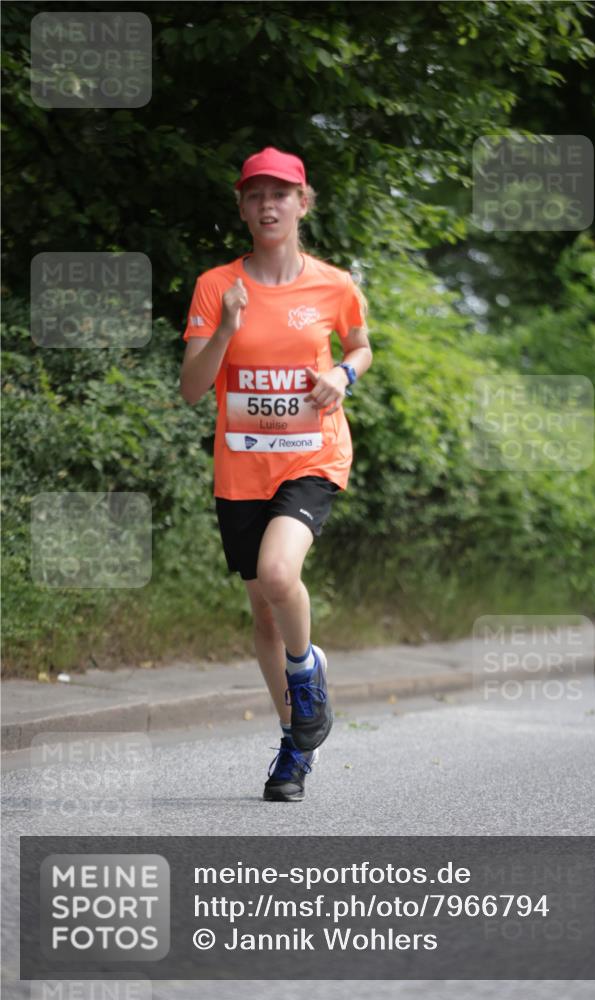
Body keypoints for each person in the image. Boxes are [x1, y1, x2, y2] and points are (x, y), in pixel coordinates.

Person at [179, 146, 372, 802]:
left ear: (302, 203)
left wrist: (341, 376)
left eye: (280, 194)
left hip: (312, 456)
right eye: (255, 195)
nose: (268, 205)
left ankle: (306, 670)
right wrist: (227, 330)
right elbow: (190, 389)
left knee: (278, 573)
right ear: (241, 206)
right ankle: (295, 745)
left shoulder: (334, 284)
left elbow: (360, 345)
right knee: (262, 612)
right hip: (241, 468)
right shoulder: (216, 287)